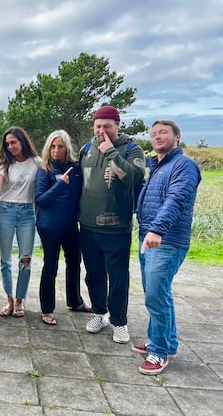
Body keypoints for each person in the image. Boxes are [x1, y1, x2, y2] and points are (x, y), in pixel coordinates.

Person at [132, 120, 201, 375]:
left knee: (155, 295)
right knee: (157, 293)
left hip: (166, 240)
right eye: (154, 134)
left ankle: (159, 352)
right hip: (149, 239)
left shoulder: (185, 166)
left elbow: (177, 198)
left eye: (163, 132)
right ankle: (166, 342)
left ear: (177, 136)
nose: (157, 137)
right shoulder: (159, 165)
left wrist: (158, 229)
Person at [78, 105, 146, 344]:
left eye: (107, 126)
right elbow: (80, 183)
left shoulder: (131, 149)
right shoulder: (86, 149)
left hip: (116, 227)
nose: (102, 130)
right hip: (87, 225)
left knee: (117, 277)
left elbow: (136, 178)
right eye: (98, 126)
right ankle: (99, 313)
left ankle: (119, 322)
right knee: (93, 275)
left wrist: (111, 153)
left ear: (117, 126)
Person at [0, 127, 40, 319]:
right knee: (5, 260)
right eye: (7, 144)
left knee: (25, 260)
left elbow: (43, 185)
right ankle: (10, 299)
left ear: (23, 141)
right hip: (5, 211)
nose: (11, 146)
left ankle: (20, 300)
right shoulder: (4, 163)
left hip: (27, 213)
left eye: (14, 142)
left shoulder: (36, 162)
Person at [35, 130, 90, 326]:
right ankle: (46, 309)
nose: (56, 150)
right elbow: (41, 200)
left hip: (70, 225)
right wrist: (60, 184)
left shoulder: (76, 167)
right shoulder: (44, 169)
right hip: (48, 226)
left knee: (75, 262)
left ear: (67, 148)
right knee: (51, 266)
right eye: (53, 146)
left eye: (60, 146)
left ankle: (75, 301)